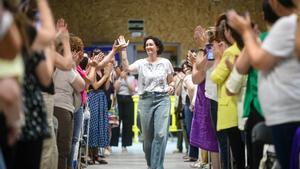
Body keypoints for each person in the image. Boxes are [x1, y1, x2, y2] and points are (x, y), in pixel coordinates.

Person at [120, 35, 174, 169]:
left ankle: (157, 166)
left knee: (160, 135)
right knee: (147, 139)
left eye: (151, 44)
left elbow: (171, 81)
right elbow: (127, 68)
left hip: (162, 99)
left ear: (157, 47)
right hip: (145, 100)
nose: (148, 47)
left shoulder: (166, 63)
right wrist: (123, 50)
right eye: (146, 45)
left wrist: (172, 86)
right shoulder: (141, 63)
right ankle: (152, 165)